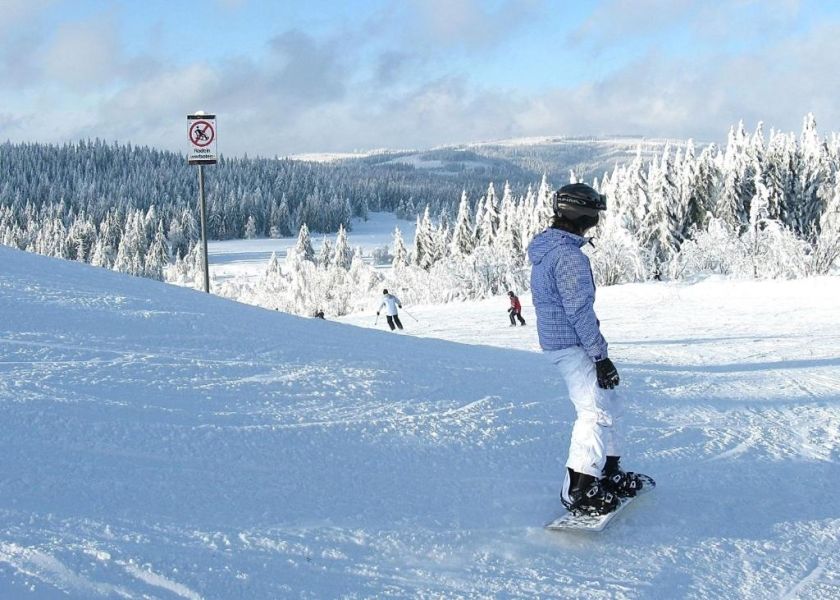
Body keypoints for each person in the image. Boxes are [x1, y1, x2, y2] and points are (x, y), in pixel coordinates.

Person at [527, 183, 650, 516]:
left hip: (563, 341)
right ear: (584, 213)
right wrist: (600, 357)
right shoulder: (568, 256)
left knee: (610, 403)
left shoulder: (550, 249)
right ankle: (579, 487)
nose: (597, 218)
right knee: (593, 411)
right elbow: (578, 309)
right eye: (596, 211)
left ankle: (606, 472)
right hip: (572, 344)